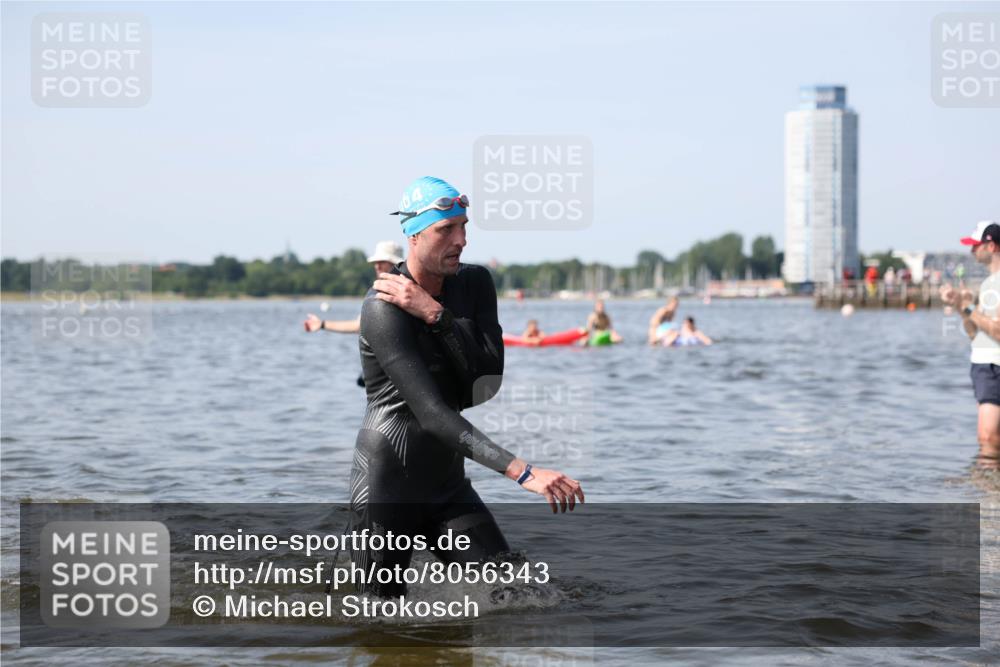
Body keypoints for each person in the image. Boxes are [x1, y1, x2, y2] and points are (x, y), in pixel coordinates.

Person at [349, 176, 584, 597]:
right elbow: (434, 414)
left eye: (464, 226)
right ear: (414, 234)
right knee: (376, 623)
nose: (461, 239)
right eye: (446, 229)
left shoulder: (475, 285)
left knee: (518, 596)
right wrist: (524, 473)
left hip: (448, 486)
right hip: (388, 489)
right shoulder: (382, 309)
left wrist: (436, 315)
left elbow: (484, 385)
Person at [941, 220, 1000, 468]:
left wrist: (967, 307)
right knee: (989, 440)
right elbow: (976, 336)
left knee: (988, 439)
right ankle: (990, 497)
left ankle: (990, 500)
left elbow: (997, 330)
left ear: (992, 245)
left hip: (993, 368)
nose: (972, 251)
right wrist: (961, 307)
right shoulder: (988, 284)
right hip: (984, 366)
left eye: (976, 245)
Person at [303, 241, 404, 333]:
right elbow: (358, 326)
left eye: (382, 261)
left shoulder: (407, 290)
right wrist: (321, 324)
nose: (377, 266)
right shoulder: (377, 293)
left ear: (395, 263)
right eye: (375, 262)